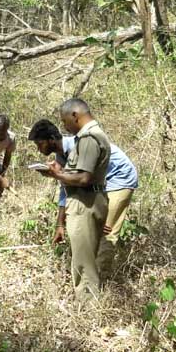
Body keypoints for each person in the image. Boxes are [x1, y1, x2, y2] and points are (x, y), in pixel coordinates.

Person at [28, 118, 138, 277]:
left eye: (40, 144)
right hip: (101, 182)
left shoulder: (80, 146)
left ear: (51, 140)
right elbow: (65, 189)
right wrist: (60, 224)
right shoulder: (61, 155)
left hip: (120, 179)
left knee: (107, 232)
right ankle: (91, 278)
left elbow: (82, 180)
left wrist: (56, 174)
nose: (38, 149)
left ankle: (101, 280)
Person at [34, 99, 111, 304]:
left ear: (75, 115)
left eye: (65, 120)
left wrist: (55, 175)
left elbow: (83, 178)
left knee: (83, 264)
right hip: (92, 199)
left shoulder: (88, 138)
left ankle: (89, 310)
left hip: (85, 203)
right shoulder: (92, 136)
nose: (64, 126)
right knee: (87, 259)